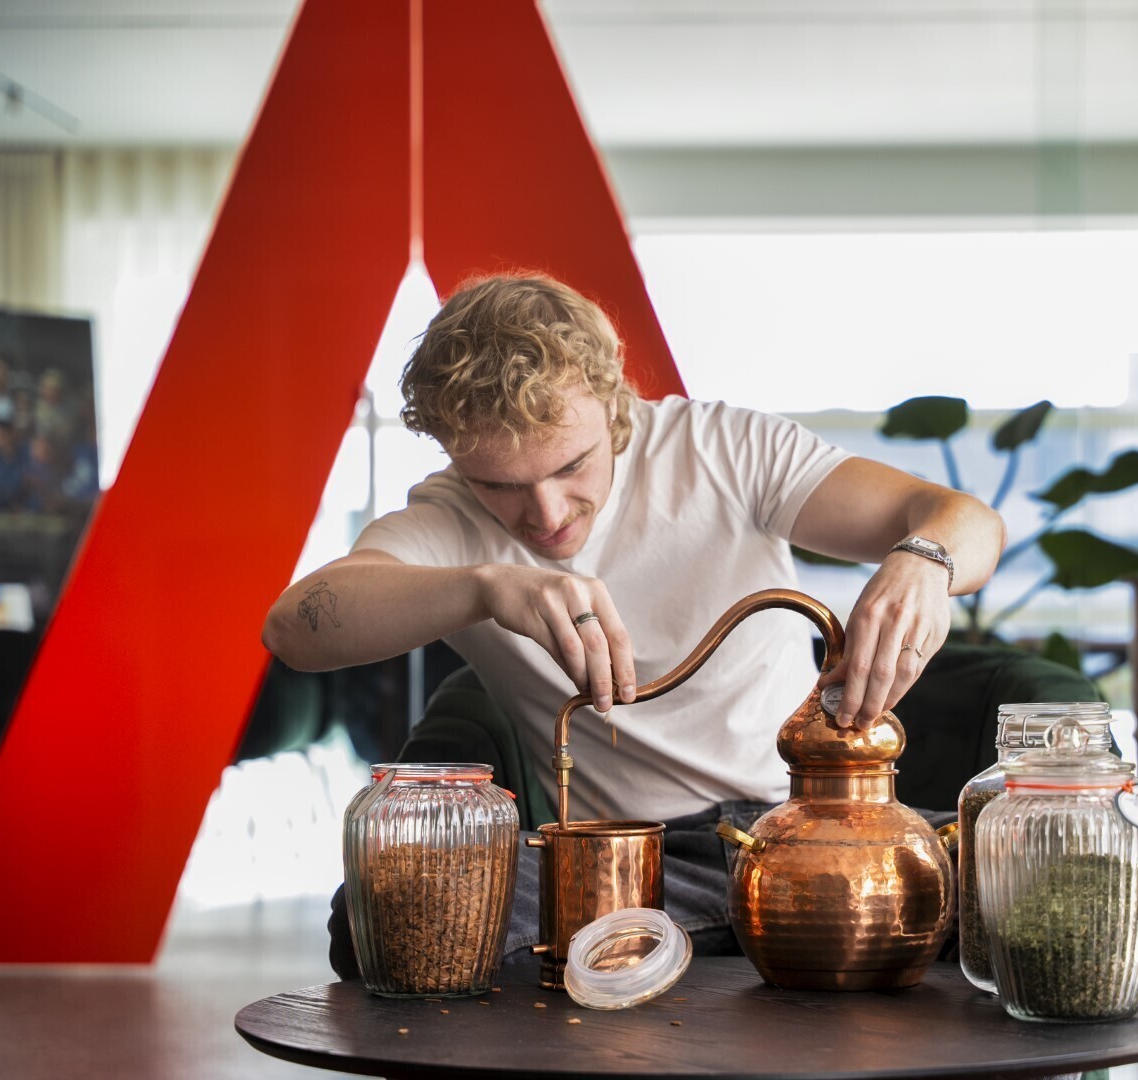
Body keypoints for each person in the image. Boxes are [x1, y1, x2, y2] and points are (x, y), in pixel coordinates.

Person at [262, 273, 1005, 972]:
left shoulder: (724, 450)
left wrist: (924, 560)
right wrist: (485, 587)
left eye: (571, 466)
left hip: (817, 833)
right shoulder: (450, 521)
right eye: (501, 485)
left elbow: (965, 522)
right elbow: (294, 629)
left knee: (1030, 870)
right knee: (391, 914)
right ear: (455, 454)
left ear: (612, 403)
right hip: (638, 867)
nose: (546, 516)